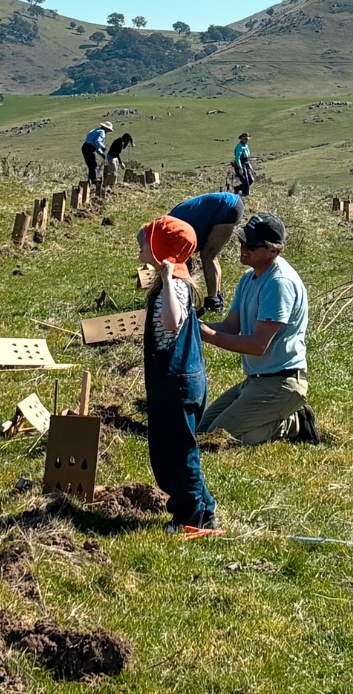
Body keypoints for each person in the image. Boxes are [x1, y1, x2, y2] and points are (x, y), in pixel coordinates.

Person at [199, 213, 320, 445]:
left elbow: (257, 345)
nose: (244, 248)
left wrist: (207, 335)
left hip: (281, 383)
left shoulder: (278, 284)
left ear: (274, 251)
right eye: (243, 240)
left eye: (252, 245)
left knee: (216, 440)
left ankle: (292, 423)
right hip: (255, 381)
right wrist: (195, 328)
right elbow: (231, 327)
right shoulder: (248, 278)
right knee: (202, 432)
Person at [137, 215, 221, 536]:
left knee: (179, 451)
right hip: (172, 381)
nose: (140, 249)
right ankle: (203, 511)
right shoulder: (167, 283)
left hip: (178, 383)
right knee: (174, 448)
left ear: (161, 250)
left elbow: (172, 321)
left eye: (145, 242)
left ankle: (191, 518)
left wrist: (170, 278)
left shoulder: (178, 287)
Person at [168, 192, 245, 313]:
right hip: (230, 205)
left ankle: (213, 302)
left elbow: (181, 263)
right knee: (211, 255)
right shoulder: (170, 223)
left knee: (208, 255)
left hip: (227, 207)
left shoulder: (170, 229)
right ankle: (217, 297)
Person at [81, 121, 113, 186]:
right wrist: (103, 147)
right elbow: (97, 142)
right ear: (106, 128)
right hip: (90, 148)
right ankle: (94, 181)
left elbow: (95, 145)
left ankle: (90, 181)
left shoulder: (96, 130)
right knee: (93, 165)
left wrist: (102, 154)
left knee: (91, 165)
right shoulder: (102, 132)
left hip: (85, 147)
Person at [232, 132, 254, 197]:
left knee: (251, 180)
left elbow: (247, 158)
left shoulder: (246, 146)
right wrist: (240, 168)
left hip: (246, 163)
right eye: (245, 139)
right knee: (245, 180)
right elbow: (237, 158)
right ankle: (245, 193)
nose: (246, 140)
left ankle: (237, 188)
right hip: (240, 164)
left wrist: (250, 166)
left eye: (247, 139)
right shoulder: (239, 147)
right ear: (241, 139)